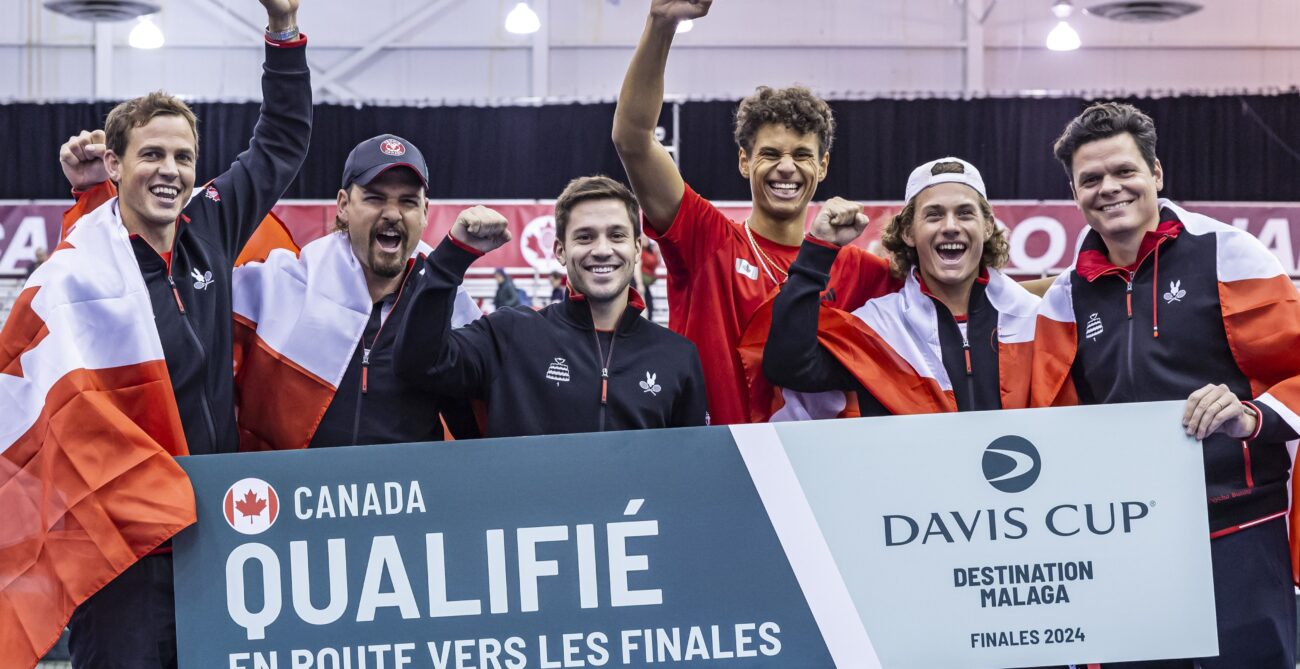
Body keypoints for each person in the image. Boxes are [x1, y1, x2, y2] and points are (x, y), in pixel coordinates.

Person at [25, 2, 312, 667]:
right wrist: (89, 200)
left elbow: (282, 141)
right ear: (117, 166)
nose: (171, 170)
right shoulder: (86, 267)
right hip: (121, 551)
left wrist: (282, 31)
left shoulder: (209, 225)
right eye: (151, 154)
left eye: (183, 156)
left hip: (210, 539)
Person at [1033, 102, 1300, 668]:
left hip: (1240, 526)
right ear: (1074, 192)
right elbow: (1054, 415)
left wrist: (1250, 416)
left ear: (1156, 173)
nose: (1109, 188)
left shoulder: (1229, 254)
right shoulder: (1066, 295)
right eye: (1091, 179)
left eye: (1124, 171)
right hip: (1130, 540)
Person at [59, 131, 484, 448]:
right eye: (374, 198)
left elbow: (495, 418)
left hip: (409, 525)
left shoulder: (450, 305)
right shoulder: (277, 288)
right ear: (342, 205)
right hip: (287, 528)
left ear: (426, 211)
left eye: (408, 201)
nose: (392, 213)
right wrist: (101, 198)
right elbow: (146, 290)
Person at [611, 0, 900, 426]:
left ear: (822, 167)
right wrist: (661, 22)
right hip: (717, 469)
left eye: (802, 155)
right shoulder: (706, 240)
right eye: (770, 154)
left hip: (816, 479)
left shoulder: (859, 271)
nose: (786, 167)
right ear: (745, 162)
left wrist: (1039, 295)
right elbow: (632, 139)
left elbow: (971, 294)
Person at [394, 176, 707, 436]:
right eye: (584, 237)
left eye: (617, 235)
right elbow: (419, 362)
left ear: (636, 247)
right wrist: (451, 258)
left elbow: (687, 476)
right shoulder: (509, 335)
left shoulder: (677, 357)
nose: (601, 250)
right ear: (559, 250)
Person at [759, 158, 1039, 419]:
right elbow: (788, 366)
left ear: (988, 226)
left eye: (965, 213)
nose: (951, 227)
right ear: (907, 232)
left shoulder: (1034, 319)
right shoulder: (880, 328)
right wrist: (818, 249)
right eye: (934, 215)